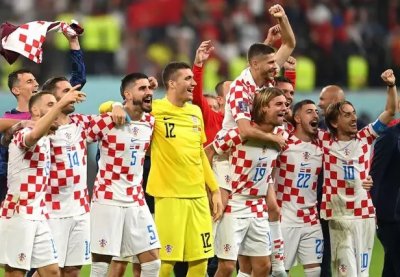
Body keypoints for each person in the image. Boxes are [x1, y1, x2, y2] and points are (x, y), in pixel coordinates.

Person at [145, 61, 222, 277]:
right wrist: (113, 107)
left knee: (200, 261)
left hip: (197, 196)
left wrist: (214, 189)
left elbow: (199, 153)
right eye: (188, 78)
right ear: (171, 83)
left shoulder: (195, 112)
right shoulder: (156, 108)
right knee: (166, 262)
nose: (194, 82)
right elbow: (116, 107)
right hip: (170, 197)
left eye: (193, 78)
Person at [318, 69, 397, 276]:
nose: (354, 118)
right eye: (347, 115)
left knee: (362, 273)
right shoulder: (324, 142)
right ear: (334, 122)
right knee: (346, 273)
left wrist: (391, 86)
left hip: (365, 216)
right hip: (339, 217)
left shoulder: (365, 137)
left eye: (353, 113)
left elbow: (390, 112)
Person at [0, 88, 85, 277]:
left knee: (52, 272)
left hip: (39, 214)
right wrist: (61, 103)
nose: (57, 110)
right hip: (19, 214)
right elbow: (34, 135)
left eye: (56, 105)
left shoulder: (48, 137)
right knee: (15, 272)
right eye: (50, 105)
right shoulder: (25, 132)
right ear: (36, 111)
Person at [205, 87, 287, 277]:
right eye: (279, 104)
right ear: (264, 108)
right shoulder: (239, 134)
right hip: (234, 203)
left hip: (257, 205)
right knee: (226, 266)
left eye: (286, 104)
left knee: (263, 267)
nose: (285, 108)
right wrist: (211, 188)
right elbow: (207, 153)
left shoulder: (280, 136)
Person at [88, 73, 161, 277]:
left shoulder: (150, 122)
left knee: (153, 263)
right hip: (108, 198)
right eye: (142, 89)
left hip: (136, 200)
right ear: (127, 95)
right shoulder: (108, 121)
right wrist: (114, 105)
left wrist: (119, 104)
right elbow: (80, 134)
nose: (149, 93)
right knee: (101, 266)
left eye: (150, 89)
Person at [0, 29, 86, 203]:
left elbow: (76, 83)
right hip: (14, 185)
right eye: (29, 82)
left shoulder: (49, 111)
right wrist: (21, 124)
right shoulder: (12, 118)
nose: (37, 84)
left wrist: (73, 43)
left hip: (47, 187)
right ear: (16, 90)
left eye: (35, 80)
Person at [274, 99, 323, 277]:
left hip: (311, 219)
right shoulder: (283, 143)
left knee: (315, 271)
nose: (315, 114)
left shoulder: (321, 146)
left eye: (316, 111)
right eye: (309, 111)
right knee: (280, 272)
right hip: (285, 218)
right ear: (297, 118)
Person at [370, 119, 400, 276]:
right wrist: (372, 209)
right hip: (392, 218)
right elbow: (375, 175)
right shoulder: (390, 136)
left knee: (391, 269)